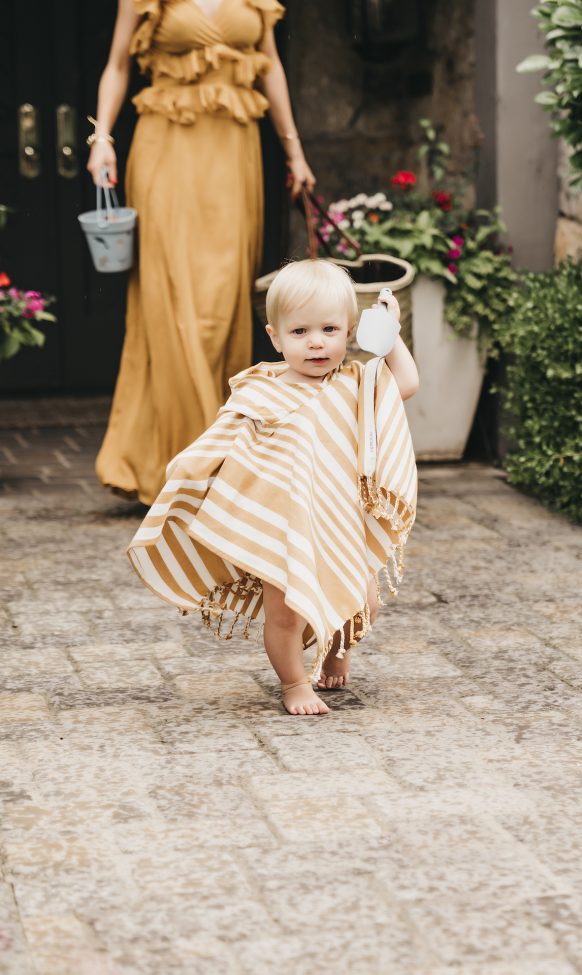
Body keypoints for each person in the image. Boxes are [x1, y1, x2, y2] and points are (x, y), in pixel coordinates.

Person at [127, 259, 419, 715]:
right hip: (281, 527)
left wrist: (391, 334)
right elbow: (224, 442)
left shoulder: (357, 383)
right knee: (284, 612)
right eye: (300, 332)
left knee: (364, 600)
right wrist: (190, 474)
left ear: (350, 332)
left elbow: (408, 382)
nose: (317, 342)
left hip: (340, 520)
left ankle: (338, 651)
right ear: (276, 336)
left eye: (329, 329)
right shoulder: (261, 389)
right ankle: (294, 683)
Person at [87, 0, 315, 505]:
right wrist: (101, 138)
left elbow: (270, 65)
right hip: (167, 148)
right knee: (172, 298)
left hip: (235, 153)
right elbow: (117, 65)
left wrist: (294, 152)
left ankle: (215, 457)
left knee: (221, 301)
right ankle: (175, 463)